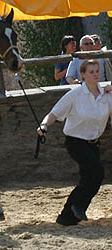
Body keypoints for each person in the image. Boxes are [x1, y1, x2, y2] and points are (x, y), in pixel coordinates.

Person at [37, 59, 112, 226]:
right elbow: (54, 113)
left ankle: (67, 217)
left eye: (97, 71)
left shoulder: (106, 95)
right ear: (83, 74)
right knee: (97, 172)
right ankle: (78, 206)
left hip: (94, 143)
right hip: (75, 141)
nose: (95, 75)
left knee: (90, 179)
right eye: (91, 72)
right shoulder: (75, 95)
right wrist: (43, 125)